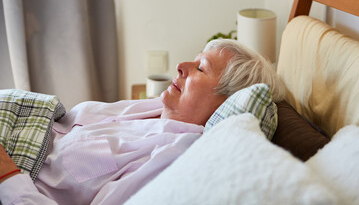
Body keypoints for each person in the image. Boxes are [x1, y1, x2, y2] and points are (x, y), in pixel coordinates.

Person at [0, 39, 286, 204]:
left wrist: (7, 176)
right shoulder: (155, 109)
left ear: (224, 102)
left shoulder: (170, 157)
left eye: (200, 68)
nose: (181, 66)